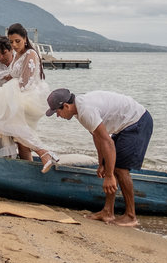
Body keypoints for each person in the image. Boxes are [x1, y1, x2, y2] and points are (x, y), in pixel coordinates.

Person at [45, 87, 153, 227]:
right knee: (111, 165)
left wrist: (109, 176)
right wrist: (102, 163)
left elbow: (108, 142)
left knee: (120, 169)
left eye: (57, 112)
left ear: (66, 105)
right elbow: (98, 136)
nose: (58, 116)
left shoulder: (85, 110)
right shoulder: (79, 110)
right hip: (124, 125)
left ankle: (131, 216)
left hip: (137, 122)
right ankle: (108, 212)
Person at [0, 23, 55, 169]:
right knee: (20, 140)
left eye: (17, 41)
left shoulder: (30, 54)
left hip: (29, 96)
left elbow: (26, 82)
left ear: (25, 38)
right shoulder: (17, 55)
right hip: (20, 94)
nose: (14, 44)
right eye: (11, 42)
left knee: (13, 127)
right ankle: (29, 168)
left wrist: (8, 95)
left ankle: (44, 153)